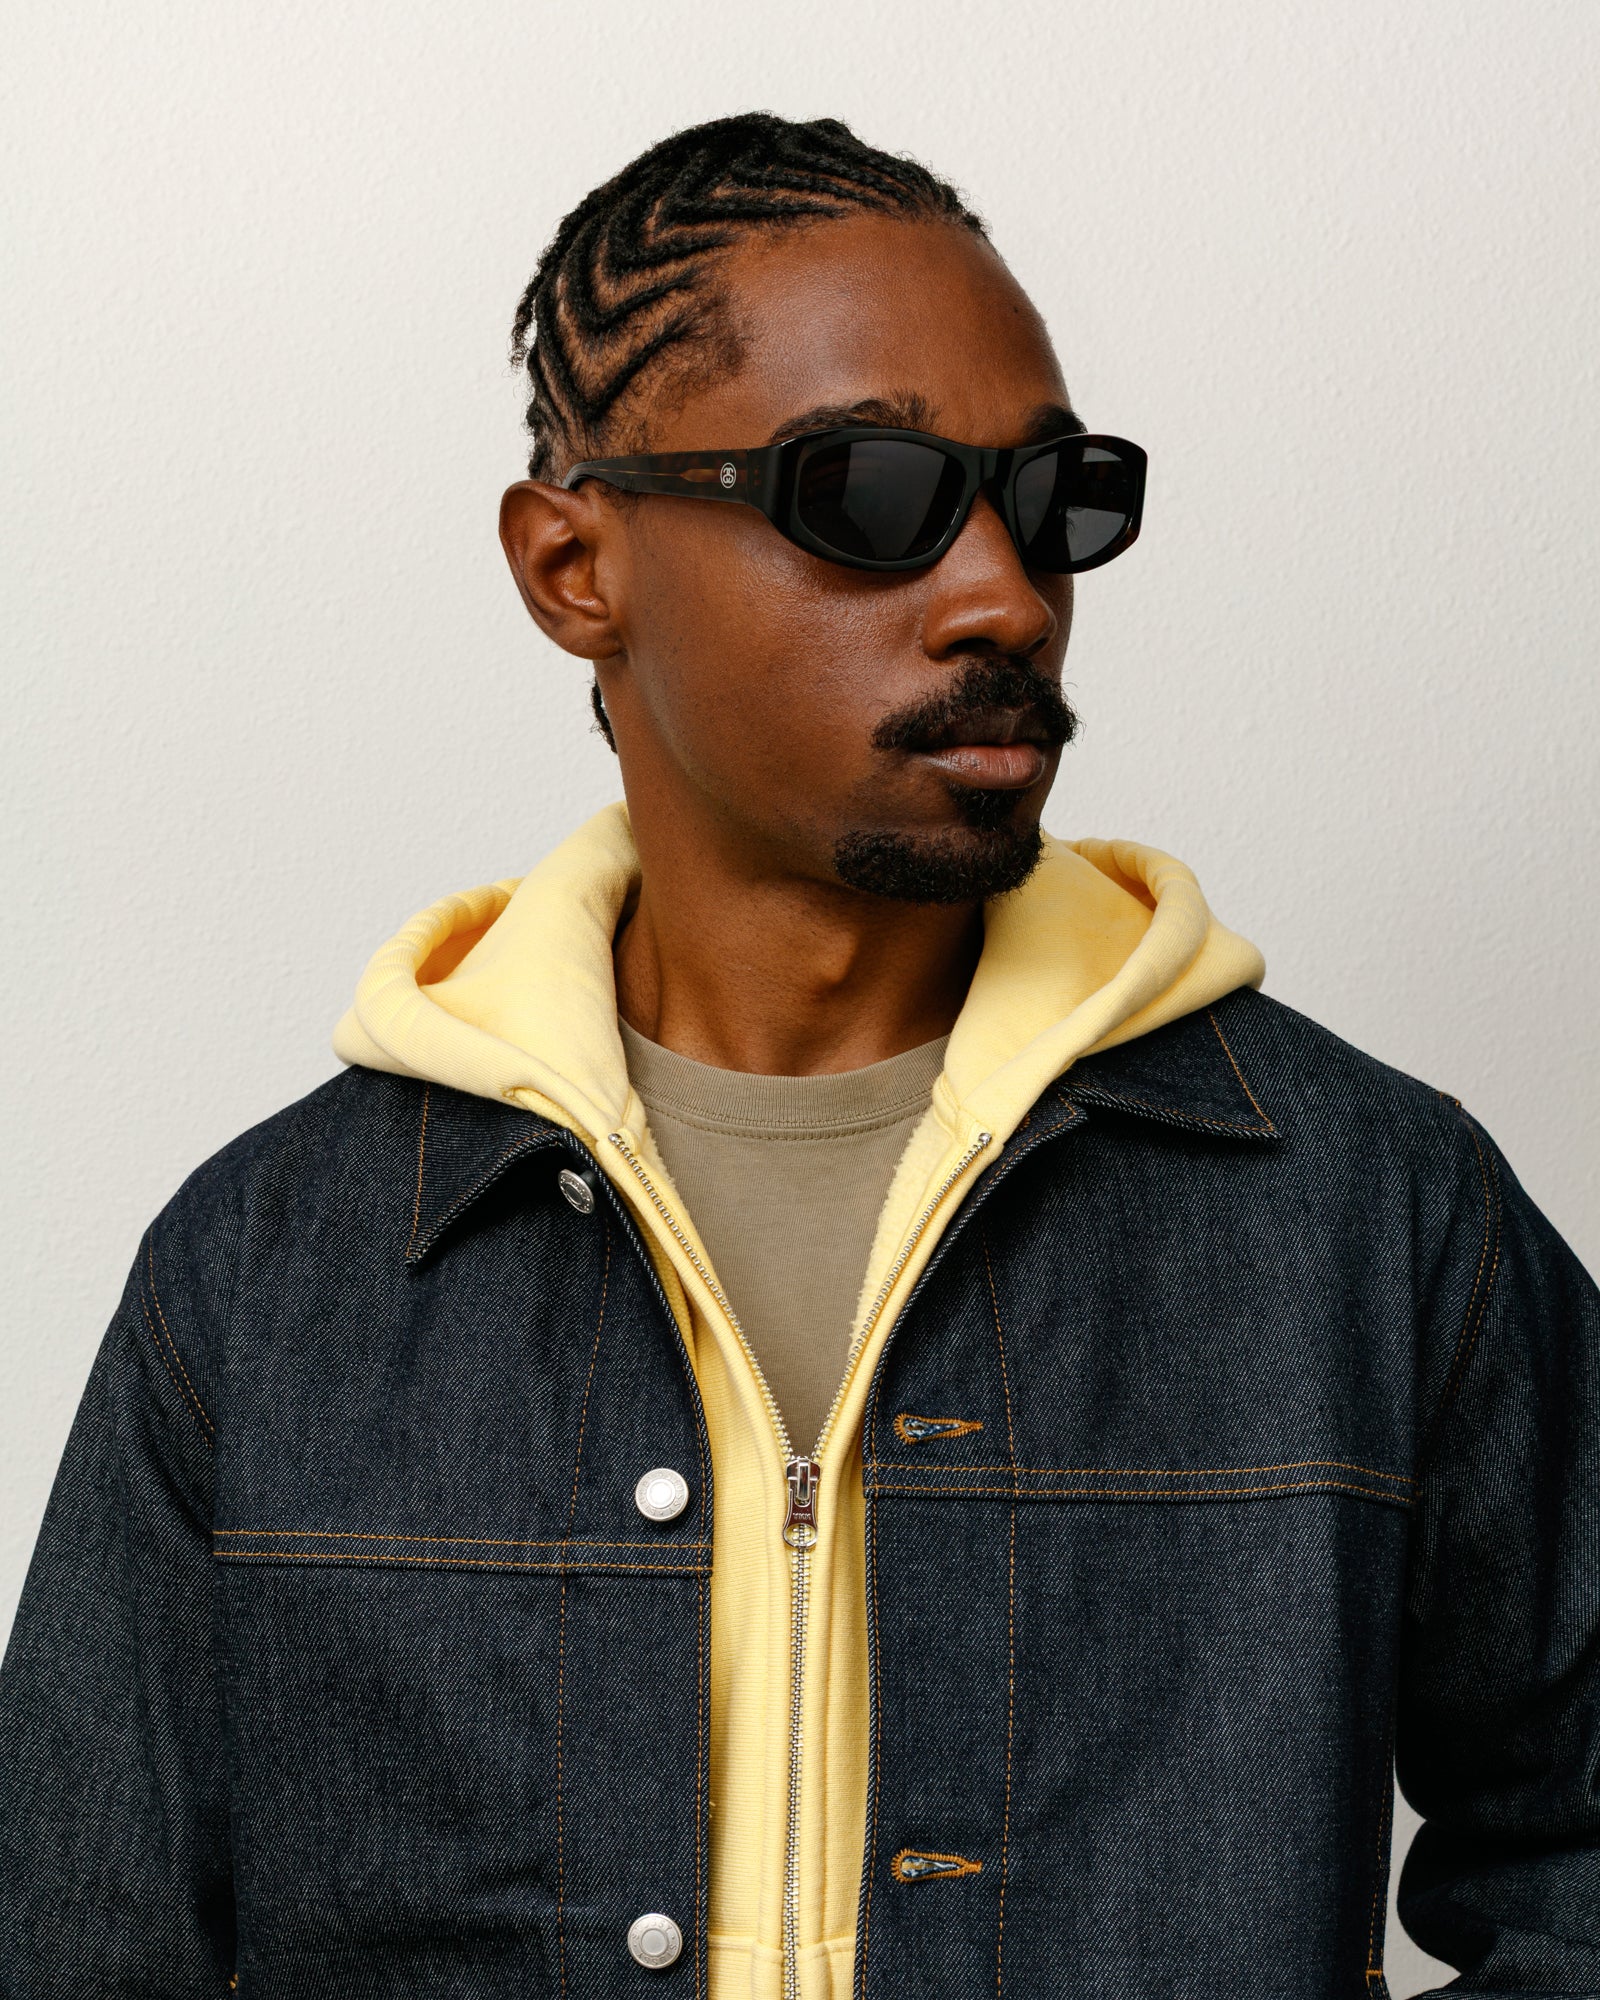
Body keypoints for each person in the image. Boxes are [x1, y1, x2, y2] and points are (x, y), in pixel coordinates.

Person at [1, 110, 1595, 2000]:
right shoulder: (275, 1275)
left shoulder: (1374, 1219)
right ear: (573, 564)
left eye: (1054, 497)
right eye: (872, 492)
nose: (1007, 594)